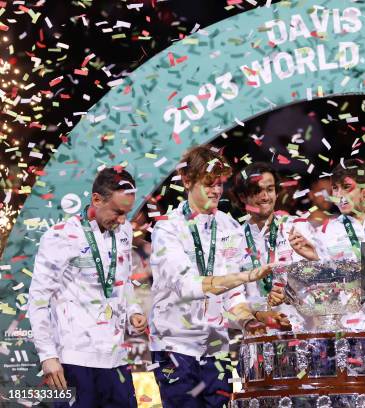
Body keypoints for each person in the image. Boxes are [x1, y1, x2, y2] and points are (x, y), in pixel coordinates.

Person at [148, 145, 274, 408]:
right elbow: (188, 286)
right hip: (175, 346)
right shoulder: (167, 229)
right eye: (208, 184)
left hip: (216, 348)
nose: (216, 191)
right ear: (186, 180)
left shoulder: (230, 228)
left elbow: (233, 298)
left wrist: (251, 322)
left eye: (219, 184)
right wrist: (246, 275)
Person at [28, 167, 147, 408]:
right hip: (74, 359)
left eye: (127, 212)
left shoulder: (123, 230)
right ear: (96, 199)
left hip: (116, 359)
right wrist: (47, 355)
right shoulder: (60, 236)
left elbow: (121, 280)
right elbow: (38, 298)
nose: (123, 220)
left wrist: (133, 309)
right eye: (117, 211)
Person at [282, 159, 365, 330]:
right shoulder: (326, 232)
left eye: (346, 187)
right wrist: (316, 258)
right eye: (335, 189)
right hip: (349, 330)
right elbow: (326, 288)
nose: (339, 195)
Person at [234, 162, 316, 331]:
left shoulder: (298, 228)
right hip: (260, 337)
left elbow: (325, 286)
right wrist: (258, 314)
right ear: (243, 197)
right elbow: (231, 299)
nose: (265, 197)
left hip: (303, 334)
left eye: (270, 189)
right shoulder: (233, 240)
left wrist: (290, 294)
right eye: (256, 191)